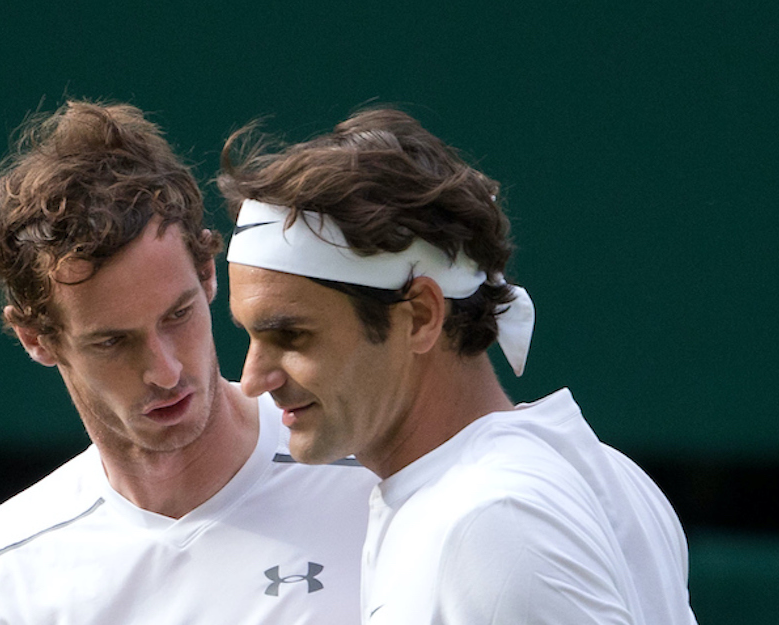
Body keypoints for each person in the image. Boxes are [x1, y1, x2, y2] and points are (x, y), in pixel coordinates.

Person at [219, 107, 698, 624]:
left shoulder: (491, 523)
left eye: (291, 335)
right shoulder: (601, 478)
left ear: (422, 316)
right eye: (249, 336)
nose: (252, 380)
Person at [0, 100, 376, 625]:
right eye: (112, 342)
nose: (166, 372)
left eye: (177, 315)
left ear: (209, 272)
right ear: (36, 338)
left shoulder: (378, 478)